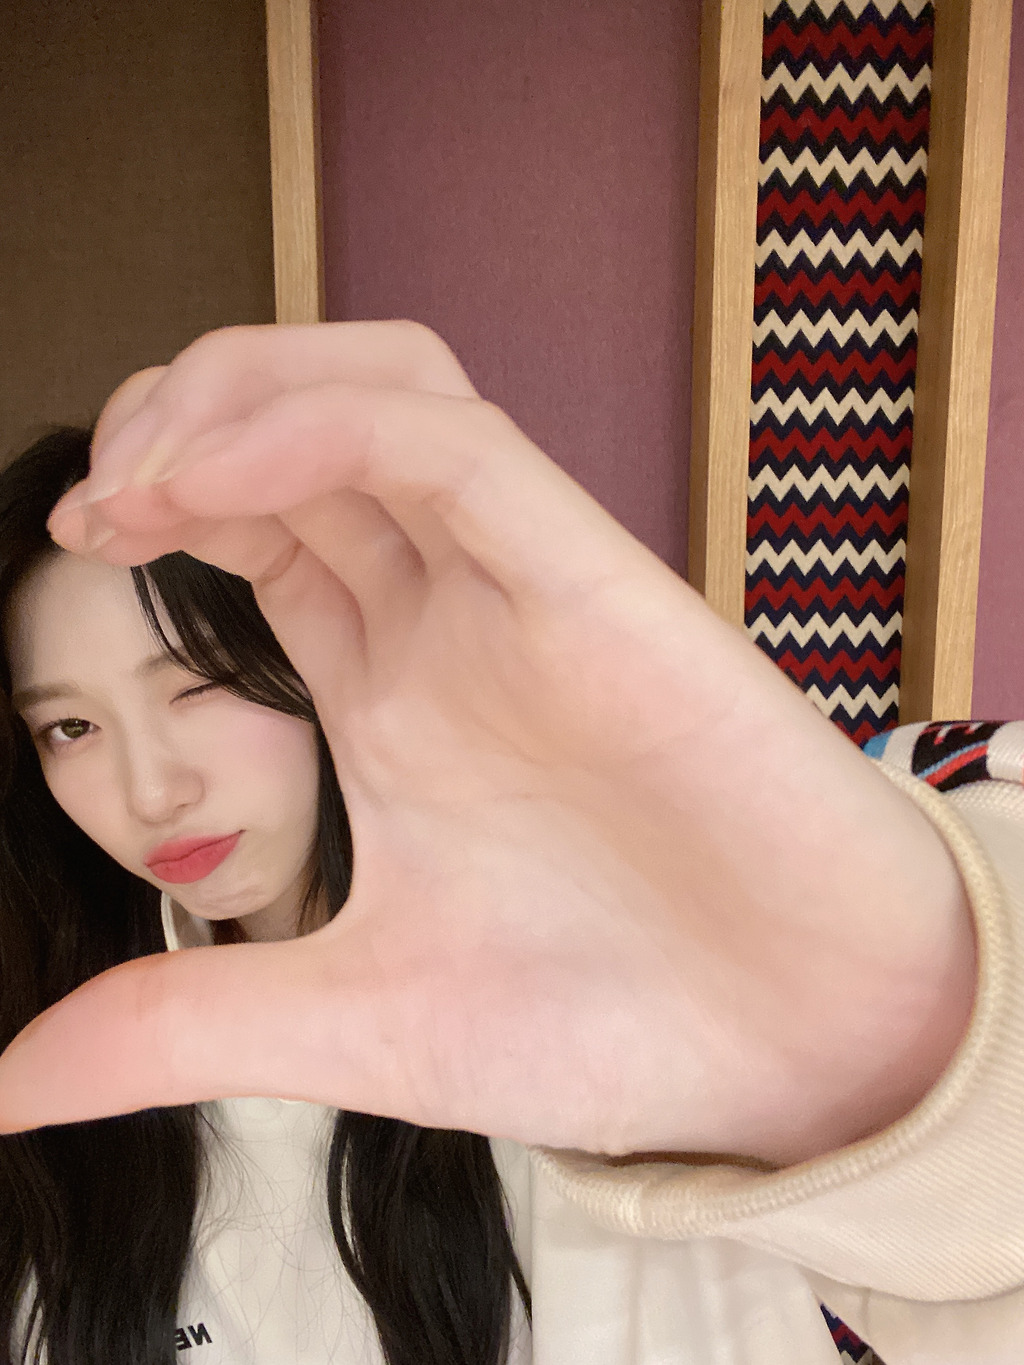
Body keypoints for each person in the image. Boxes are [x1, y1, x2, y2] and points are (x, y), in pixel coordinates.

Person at [0, 320, 1022, 1364]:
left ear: (313, 651)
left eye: (203, 682)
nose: (152, 790)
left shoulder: (575, 1001)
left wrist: (921, 1085)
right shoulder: (64, 1084)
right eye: (69, 727)